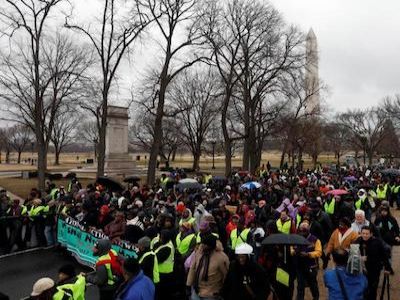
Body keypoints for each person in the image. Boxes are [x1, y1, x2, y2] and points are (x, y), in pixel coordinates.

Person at [187, 234, 229, 300]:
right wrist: (189, 284)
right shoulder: (199, 253)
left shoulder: (221, 257)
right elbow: (193, 268)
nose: (203, 246)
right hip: (197, 289)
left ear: (211, 246)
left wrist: (223, 290)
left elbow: (225, 274)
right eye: (203, 244)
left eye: (205, 245)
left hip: (212, 292)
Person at [355, 226, 393, 300]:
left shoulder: (377, 242)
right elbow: (353, 254)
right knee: (362, 289)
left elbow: (384, 256)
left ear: (371, 234)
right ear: (360, 233)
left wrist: (387, 268)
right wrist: (359, 258)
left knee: (372, 290)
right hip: (361, 270)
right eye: (363, 233)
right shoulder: (358, 241)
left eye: (367, 234)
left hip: (374, 270)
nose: (365, 235)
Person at [293, 222, 322, 300]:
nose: (302, 232)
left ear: (308, 230)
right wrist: (293, 251)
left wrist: (308, 254)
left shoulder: (315, 240)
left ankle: (316, 298)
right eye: (301, 230)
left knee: (313, 285)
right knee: (300, 286)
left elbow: (319, 252)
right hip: (299, 266)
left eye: (304, 230)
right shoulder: (296, 238)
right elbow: (291, 248)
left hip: (311, 266)